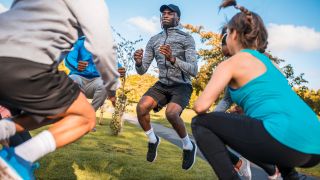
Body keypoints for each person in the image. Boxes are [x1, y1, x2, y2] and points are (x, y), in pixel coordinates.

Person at [191, 0, 320, 179]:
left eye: (227, 33)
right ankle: (293, 176)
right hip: (314, 144)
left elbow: (200, 106)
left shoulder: (231, 63)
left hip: (284, 140)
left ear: (233, 34)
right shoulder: (271, 65)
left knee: (200, 123)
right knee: (270, 121)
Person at [0, 0, 119, 179]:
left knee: (55, 110)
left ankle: (4, 130)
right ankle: (19, 159)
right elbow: (103, 49)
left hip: (9, 59)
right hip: (26, 63)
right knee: (85, 117)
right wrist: (112, 88)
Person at [133, 4, 198, 170]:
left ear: (178, 18)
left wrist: (173, 59)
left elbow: (194, 70)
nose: (165, 15)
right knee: (141, 108)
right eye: (163, 13)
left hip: (181, 85)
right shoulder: (154, 40)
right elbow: (141, 71)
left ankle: (188, 146)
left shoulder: (186, 39)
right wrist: (138, 62)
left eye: (170, 13)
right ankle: (153, 140)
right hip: (162, 84)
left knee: (171, 113)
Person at [215, 26, 281, 180]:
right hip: (247, 109)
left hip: (265, 110)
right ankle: (239, 163)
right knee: (210, 131)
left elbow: (277, 83)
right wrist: (214, 117)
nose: (222, 47)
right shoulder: (229, 65)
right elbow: (227, 98)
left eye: (224, 42)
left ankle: (276, 168)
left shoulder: (259, 58)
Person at [65, 36, 126, 109]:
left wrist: (119, 70)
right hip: (78, 78)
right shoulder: (79, 42)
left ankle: (89, 114)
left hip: (96, 81)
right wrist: (76, 65)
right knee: (72, 80)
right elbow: (69, 59)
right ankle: (71, 111)